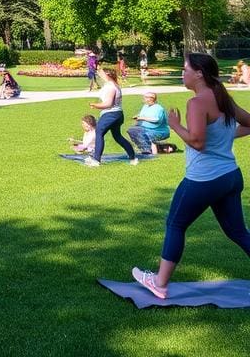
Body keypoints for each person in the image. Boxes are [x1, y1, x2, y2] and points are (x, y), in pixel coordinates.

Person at [131, 53, 250, 299]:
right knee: (237, 232)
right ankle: (160, 282)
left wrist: (175, 125)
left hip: (204, 179)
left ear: (199, 73)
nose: (183, 73)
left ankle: (159, 284)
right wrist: (225, 137)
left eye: (185, 69)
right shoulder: (222, 98)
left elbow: (196, 141)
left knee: (175, 224)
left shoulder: (196, 103)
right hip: (230, 176)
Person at [86, 67, 138, 167]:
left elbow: (108, 104)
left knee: (99, 132)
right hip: (116, 115)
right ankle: (133, 157)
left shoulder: (111, 87)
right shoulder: (113, 85)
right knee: (117, 136)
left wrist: (95, 105)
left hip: (110, 114)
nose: (100, 75)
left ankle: (96, 160)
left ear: (108, 75)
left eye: (102, 73)